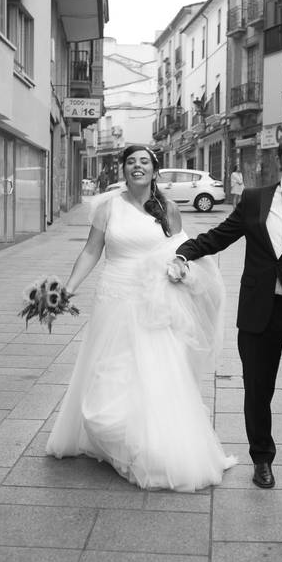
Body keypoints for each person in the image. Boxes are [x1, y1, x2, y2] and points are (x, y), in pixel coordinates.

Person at [45, 144, 236, 491]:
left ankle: (150, 445)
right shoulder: (106, 208)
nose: (137, 167)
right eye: (131, 162)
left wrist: (180, 269)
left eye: (143, 162)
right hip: (113, 298)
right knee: (110, 370)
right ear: (123, 169)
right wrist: (68, 288)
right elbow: (91, 251)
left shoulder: (168, 208)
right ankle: (113, 435)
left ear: (154, 169)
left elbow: (182, 252)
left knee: (154, 372)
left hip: (154, 302)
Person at [170, 132, 282, 500]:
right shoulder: (254, 201)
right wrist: (185, 251)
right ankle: (262, 460)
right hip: (259, 314)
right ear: (279, 160)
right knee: (257, 393)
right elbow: (220, 236)